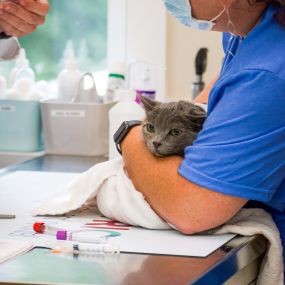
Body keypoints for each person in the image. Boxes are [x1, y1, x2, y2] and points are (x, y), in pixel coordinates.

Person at [120, 0, 285, 262]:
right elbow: (227, 86)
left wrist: (128, 134)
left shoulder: (269, 74)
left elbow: (191, 211)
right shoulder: (246, 29)